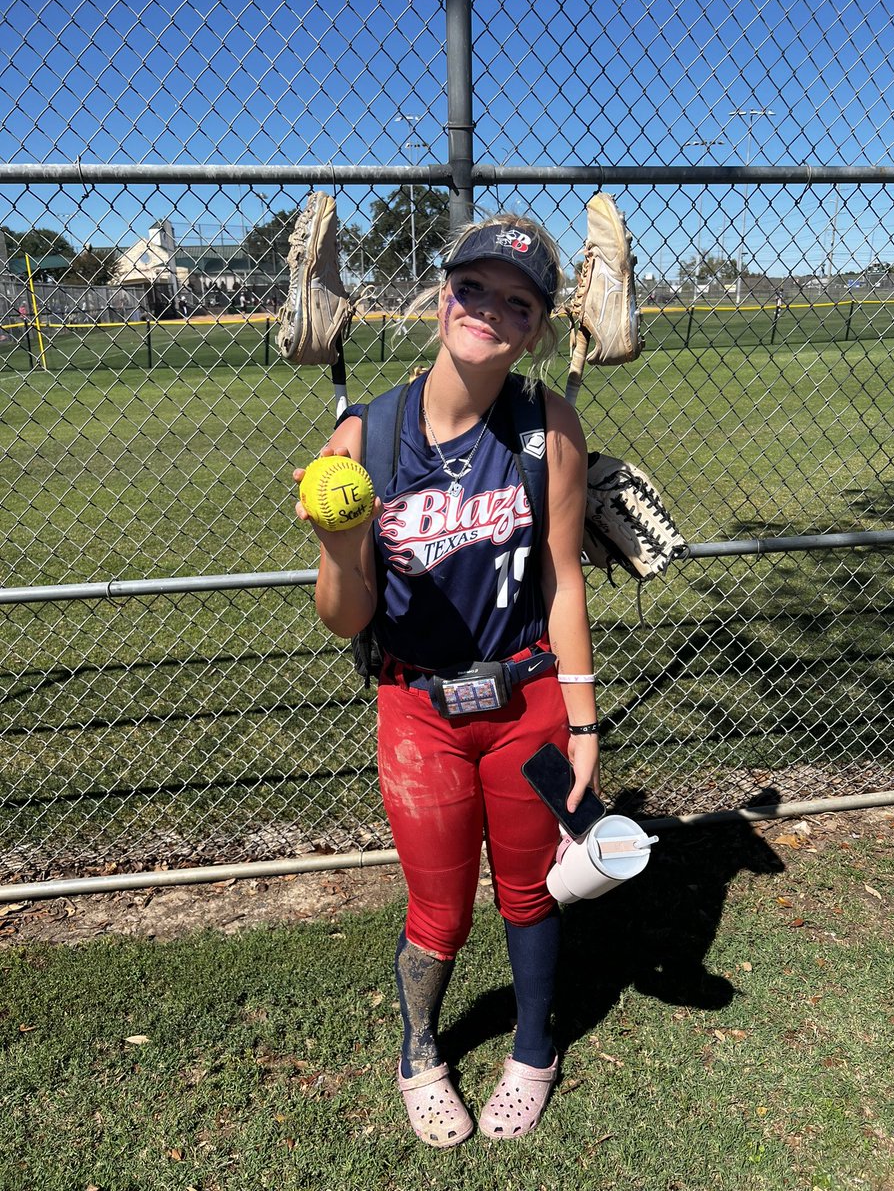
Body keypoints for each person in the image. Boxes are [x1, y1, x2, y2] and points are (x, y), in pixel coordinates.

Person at [293, 213, 599, 1147]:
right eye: (473, 289)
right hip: (417, 707)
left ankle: (533, 1049)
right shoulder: (366, 435)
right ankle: (420, 1053)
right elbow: (345, 616)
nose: (489, 311)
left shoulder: (547, 425)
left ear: (538, 328)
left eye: (518, 301)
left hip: (526, 698)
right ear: (440, 300)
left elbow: (562, 577)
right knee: (439, 903)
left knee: (530, 888)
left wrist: (584, 725)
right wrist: (342, 549)